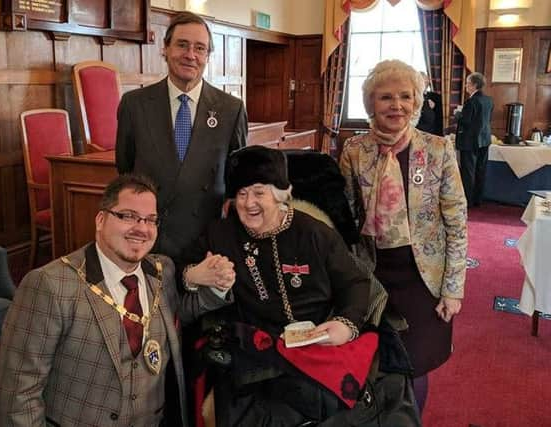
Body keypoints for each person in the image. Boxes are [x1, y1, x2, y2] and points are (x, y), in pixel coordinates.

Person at [185, 145, 419, 426]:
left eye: (259, 192)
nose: (249, 204)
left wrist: (345, 324)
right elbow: (182, 266)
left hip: (322, 339)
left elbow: (355, 283)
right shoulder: (220, 234)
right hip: (258, 351)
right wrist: (193, 275)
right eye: (242, 194)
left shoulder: (315, 233)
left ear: (281, 194)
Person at [0, 174, 235, 427]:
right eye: (128, 216)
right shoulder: (50, 285)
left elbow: (175, 316)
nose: (141, 228)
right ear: (101, 220)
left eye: (150, 220)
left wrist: (217, 287)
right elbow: (19, 393)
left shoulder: (161, 271)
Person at [339, 60, 467, 414]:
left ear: (416, 101)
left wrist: (453, 289)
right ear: (370, 104)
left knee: (416, 362)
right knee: (378, 358)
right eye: (386, 97)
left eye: (405, 96)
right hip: (374, 274)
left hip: (423, 278)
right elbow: (346, 218)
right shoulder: (354, 151)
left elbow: (457, 224)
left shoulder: (439, 150)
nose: (396, 105)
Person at [115, 11, 248, 262]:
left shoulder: (231, 109)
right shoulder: (135, 105)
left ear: (208, 56)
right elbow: (125, 168)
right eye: (182, 45)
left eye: (200, 48)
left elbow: (236, 178)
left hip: (206, 242)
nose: (190, 55)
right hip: (149, 239)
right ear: (165, 48)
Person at [455, 71, 494, 207]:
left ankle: (468, 201)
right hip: (485, 140)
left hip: (470, 142)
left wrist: (458, 114)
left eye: (467, 83)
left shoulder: (471, 101)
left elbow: (466, 121)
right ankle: (478, 199)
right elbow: (487, 120)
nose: (466, 86)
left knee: (468, 171)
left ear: (474, 85)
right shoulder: (489, 100)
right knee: (480, 170)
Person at [416, 71, 443, 136]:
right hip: (418, 133)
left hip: (432, 133)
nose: (426, 83)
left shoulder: (435, 97)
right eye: (422, 81)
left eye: (426, 81)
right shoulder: (413, 97)